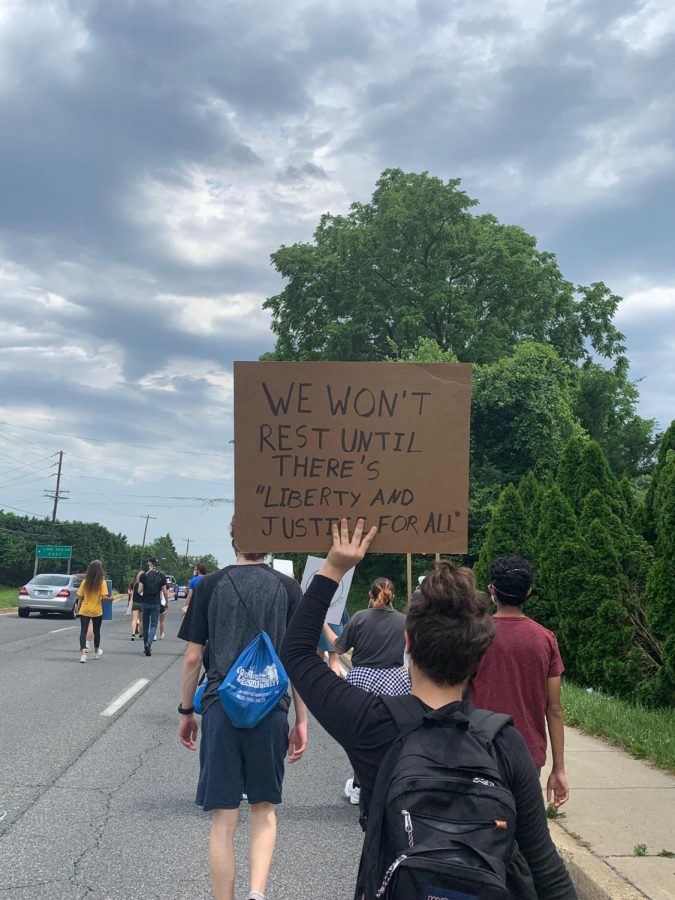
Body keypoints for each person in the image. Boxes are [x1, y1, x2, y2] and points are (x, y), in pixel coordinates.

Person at [281, 520, 577, 900]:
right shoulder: (506, 743)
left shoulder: (372, 723)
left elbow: (297, 653)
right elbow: (545, 867)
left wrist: (334, 567)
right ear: (479, 654)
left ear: (408, 641)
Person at [177, 521, 309, 900]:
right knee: (264, 811)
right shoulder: (287, 588)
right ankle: (257, 894)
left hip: (221, 707)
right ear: (269, 543)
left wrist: (187, 710)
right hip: (270, 709)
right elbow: (299, 660)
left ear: (233, 538)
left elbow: (192, 657)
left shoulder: (210, 586)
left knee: (223, 819)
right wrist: (300, 720)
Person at [470, 555, 569, 806]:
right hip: (527, 753)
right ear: (528, 592)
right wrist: (559, 769)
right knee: (523, 831)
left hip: (480, 748)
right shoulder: (545, 639)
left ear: (492, 591)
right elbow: (554, 709)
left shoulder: (476, 635)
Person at [331, 578, 409, 807]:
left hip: (362, 681)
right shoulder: (405, 622)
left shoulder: (359, 618)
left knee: (359, 737)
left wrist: (324, 625)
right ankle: (389, 783)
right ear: (392, 596)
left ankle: (358, 784)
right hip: (395, 681)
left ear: (370, 594)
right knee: (392, 735)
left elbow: (339, 647)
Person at [76, 560, 109, 664]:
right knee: (97, 631)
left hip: (85, 609)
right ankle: (96, 653)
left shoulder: (85, 582)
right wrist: (110, 598)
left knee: (83, 631)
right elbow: (104, 597)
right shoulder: (102, 582)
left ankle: (83, 654)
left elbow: (79, 596)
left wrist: (78, 606)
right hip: (97, 610)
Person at [139, 557, 168, 656]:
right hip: (156, 603)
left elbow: (139, 590)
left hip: (145, 602)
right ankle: (149, 644)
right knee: (154, 625)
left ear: (148, 563)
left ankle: (146, 646)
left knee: (146, 625)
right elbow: (164, 591)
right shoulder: (161, 576)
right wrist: (166, 602)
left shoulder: (143, 575)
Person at [318, 605, 349, 676]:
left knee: (318, 659)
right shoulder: (338, 602)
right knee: (334, 661)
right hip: (335, 634)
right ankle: (335, 683)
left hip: (321, 630)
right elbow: (346, 620)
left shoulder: (318, 601)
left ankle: (318, 680)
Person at [128, 571, 144, 641]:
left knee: (134, 619)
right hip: (142, 603)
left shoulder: (133, 584)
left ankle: (133, 634)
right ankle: (140, 634)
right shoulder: (144, 585)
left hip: (135, 603)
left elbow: (131, 593)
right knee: (141, 620)